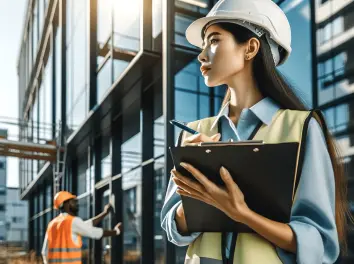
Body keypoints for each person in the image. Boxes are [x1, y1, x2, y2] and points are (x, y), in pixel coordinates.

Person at [161, 0, 351, 263]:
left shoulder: (301, 128)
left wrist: (242, 213)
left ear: (250, 47)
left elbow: (317, 242)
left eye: (214, 41)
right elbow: (173, 229)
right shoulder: (194, 133)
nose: (202, 55)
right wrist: (196, 193)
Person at [41, 191, 122, 264]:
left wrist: (104, 213)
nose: (77, 204)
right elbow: (93, 232)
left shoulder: (52, 224)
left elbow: (44, 252)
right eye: (73, 201)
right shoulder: (72, 221)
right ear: (66, 204)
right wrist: (116, 231)